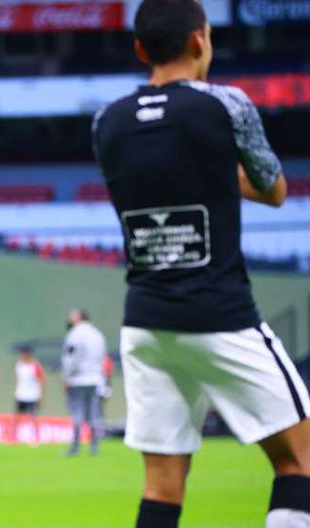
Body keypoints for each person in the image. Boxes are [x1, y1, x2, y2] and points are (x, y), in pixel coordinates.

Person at [92, 1, 310, 526]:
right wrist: (216, 170)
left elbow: (155, 175)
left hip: (146, 323)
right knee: (300, 459)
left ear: (140, 49)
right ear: (199, 41)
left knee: (162, 487)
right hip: (220, 313)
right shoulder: (227, 104)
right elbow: (274, 188)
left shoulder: (107, 121)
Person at [61, 308, 106, 456]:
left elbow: (72, 358)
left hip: (78, 379)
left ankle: (76, 446)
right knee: (94, 413)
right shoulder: (98, 334)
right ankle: (94, 446)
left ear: (79, 318)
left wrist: (67, 376)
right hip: (95, 379)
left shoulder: (75, 334)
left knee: (77, 413)